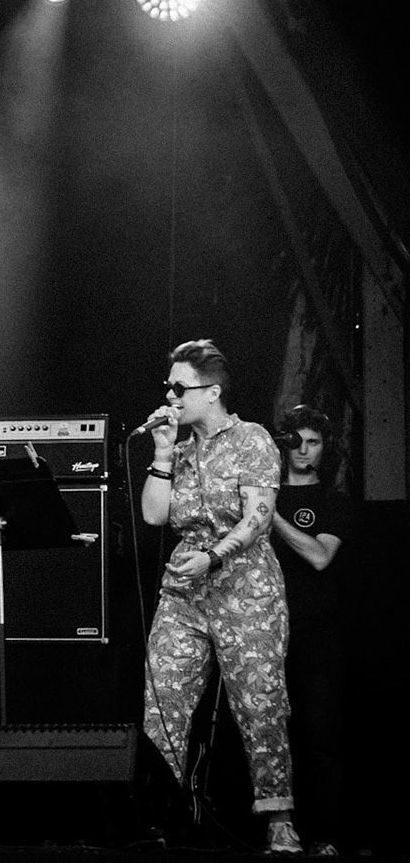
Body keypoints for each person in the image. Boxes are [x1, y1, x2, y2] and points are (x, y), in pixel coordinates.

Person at [138, 339, 298, 854]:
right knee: (163, 698)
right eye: (168, 387)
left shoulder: (252, 439)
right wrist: (162, 453)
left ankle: (278, 819)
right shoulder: (181, 451)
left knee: (259, 704)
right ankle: (161, 815)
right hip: (185, 592)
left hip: (245, 589)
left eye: (179, 387)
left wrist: (214, 556)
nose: (170, 396)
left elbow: (258, 518)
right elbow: (154, 515)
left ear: (212, 392)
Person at [273, 405, 354, 856]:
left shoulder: (333, 502)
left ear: (326, 448)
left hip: (316, 632)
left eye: (314, 442)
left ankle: (326, 837)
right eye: (296, 441)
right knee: (268, 735)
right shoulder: (263, 491)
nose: (303, 450)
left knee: (320, 736)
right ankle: (275, 833)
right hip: (264, 631)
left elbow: (320, 557)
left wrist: (269, 516)